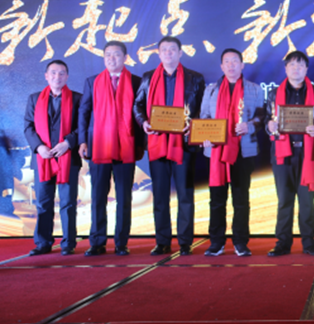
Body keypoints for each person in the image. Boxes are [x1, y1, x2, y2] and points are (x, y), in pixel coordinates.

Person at [134, 36, 205, 256]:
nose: (168, 53)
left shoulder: (195, 78)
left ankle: (185, 242)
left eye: (172, 49)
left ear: (180, 53)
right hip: (157, 142)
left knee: (185, 194)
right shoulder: (148, 78)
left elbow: (203, 108)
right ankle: (162, 241)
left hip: (183, 143)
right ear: (159, 53)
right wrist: (144, 122)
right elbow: (137, 105)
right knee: (160, 194)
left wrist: (193, 124)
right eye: (164, 49)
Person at [78, 41, 143, 256]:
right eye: (108, 55)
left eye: (116, 54)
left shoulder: (136, 81)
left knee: (124, 197)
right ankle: (97, 242)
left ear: (125, 57)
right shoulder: (92, 81)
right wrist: (82, 141)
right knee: (98, 196)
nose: (111, 58)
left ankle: (121, 243)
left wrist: (141, 143)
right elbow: (84, 112)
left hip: (126, 146)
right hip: (99, 146)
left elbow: (141, 112)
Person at [199, 48, 264, 257]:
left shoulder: (255, 89)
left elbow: (261, 117)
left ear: (242, 65)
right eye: (227, 62)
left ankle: (240, 242)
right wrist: (205, 135)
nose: (231, 65)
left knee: (241, 199)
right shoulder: (211, 90)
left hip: (243, 151)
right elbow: (204, 117)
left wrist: (249, 126)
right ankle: (216, 242)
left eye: (235, 61)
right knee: (216, 199)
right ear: (221, 66)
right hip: (216, 152)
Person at [265, 51, 314, 257]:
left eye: (300, 65)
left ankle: (309, 243)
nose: (296, 69)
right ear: (285, 69)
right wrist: (269, 125)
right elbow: (267, 120)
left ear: (306, 69)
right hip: (283, 153)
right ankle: (282, 243)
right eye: (292, 65)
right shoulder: (274, 93)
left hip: (308, 153)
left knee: (307, 200)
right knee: (284, 199)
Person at [24, 60, 82, 256]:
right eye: (54, 73)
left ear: (67, 76)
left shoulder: (77, 99)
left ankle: (68, 243)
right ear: (46, 76)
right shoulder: (34, 99)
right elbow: (28, 127)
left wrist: (68, 143)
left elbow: (83, 126)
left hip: (68, 157)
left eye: (62, 73)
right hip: (43, 158)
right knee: (43, 203)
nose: (58, 77)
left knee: (68, 203)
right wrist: (39, 147)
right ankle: (43, 242)